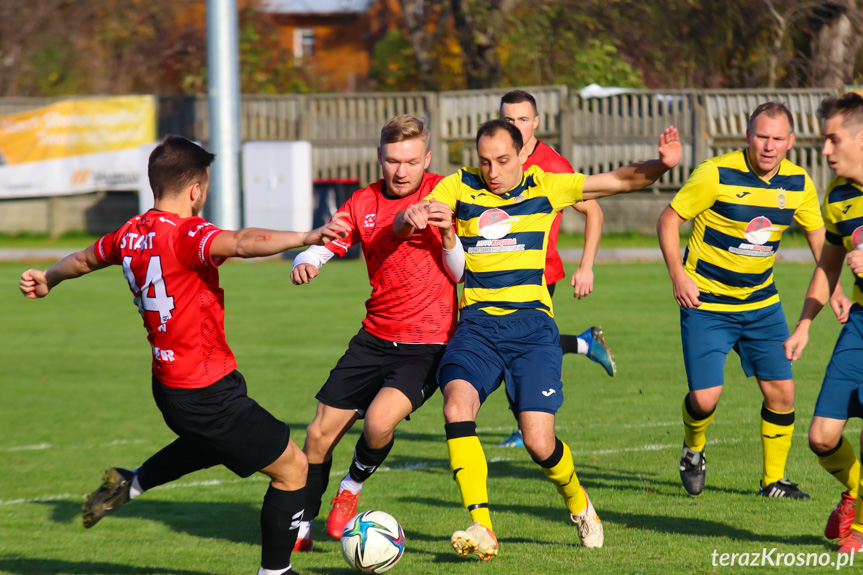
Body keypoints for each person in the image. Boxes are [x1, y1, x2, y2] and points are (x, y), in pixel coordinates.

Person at [18, 135, 351, 575]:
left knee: (211, 444)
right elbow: (242, 241)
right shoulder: (187, 233)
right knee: (292, 470)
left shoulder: (129, 233)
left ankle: (131, 482)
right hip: (206, 391)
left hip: (173, 387)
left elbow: (81, 260)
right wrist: (308, 235)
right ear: (196, 188)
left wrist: (49, 278)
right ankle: (276, 572)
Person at [395, 119, 681, 559]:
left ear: (523, 155)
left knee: (538, 442)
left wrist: (662, 164)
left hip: (532, 330)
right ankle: (482, 526)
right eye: (486, 161)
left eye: (503, 161)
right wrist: (413, 214)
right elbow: (412, 215)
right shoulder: (459, 186)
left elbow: (620, 180)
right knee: (456, 404)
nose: (493, 171)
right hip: (477, 328)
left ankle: (579, 502)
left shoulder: (546, 185)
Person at [657, 101, 849, 500]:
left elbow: (820, 237)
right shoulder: (715, 173)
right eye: (762, 136)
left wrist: (836, 290)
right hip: (707, 302)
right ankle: (693, 450)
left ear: (791, 142)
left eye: (778, 139)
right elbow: (669, 219)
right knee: (705, 398)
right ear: (748, 136)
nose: (769, 146)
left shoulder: (798, 183)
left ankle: (773, 481)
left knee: (783, 393)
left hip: (762, 305)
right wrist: (678, 275)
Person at [288, 115, 458, 550]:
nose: (401, 171)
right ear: (379, 157)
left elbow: (459, 274)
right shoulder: (363, 202)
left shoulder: (448, 193)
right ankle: (302, 525)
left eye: (411, 161)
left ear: (428, 160)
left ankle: (351, 487)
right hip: (374, 337)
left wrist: (449, 232)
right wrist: (306, 260)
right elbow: (328, 240)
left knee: (379, 422)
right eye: (393, 160)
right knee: (318, 434)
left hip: (427, 345)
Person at [497, 89, 615, 449]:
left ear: (535, 122)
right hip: (496, 275)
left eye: (521, 119)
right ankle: (584, 343)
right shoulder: (496, 158)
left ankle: (527, 425)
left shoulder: (550, 164)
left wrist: (587, 266)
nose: (514, 125)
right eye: (507, 119)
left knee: (517, 350)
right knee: (509, 347)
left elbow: (593, 211)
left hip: (538, 275)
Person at [784, 92, 863, 552]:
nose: (825, 150)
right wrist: (805, 323)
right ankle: (855, 493)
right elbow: (828, 265)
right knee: (821, 436)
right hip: (860, 323)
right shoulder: (837, 195)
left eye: (833, 139)